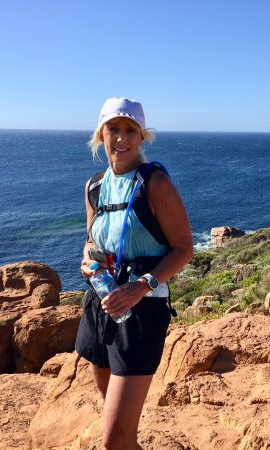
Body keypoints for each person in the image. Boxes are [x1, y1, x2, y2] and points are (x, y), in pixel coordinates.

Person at [75, 97, 193, 450]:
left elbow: (184, 248)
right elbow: (91, 239)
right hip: (101, 303)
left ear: (143, 138)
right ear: (101, 134)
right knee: (112, 410)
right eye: (113, 129)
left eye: (131, 131)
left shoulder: (154, 184)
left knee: (114, 440)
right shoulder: (94, 186)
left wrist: (141, 286)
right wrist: (87, 260)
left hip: (142, 311)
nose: (121, 138)